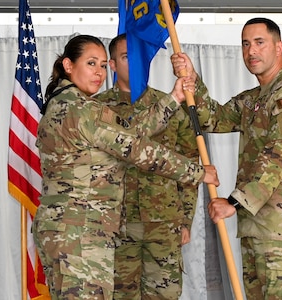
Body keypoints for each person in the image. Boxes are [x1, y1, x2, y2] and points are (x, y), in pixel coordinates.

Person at [31, 34, 219, 300]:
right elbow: (138, 149)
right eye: (90, 63)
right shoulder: (84, 110)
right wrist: (198, 172)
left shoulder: (67, 105)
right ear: (68, 65)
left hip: (71, 229)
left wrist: (174, 99)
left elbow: (130, 131)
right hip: (80, 231)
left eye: (100, 65)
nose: (98, 72)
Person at [171, 18, 282, 299]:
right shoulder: (254, 99)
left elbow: (278, 157)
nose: (251, 51)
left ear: (279, 47)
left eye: (259, 42)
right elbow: (213, 118)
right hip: (255, 228)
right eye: (245, 44)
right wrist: (192, 80)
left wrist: (234, 202)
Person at [95, 33, 200, 299]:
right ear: (112, 64)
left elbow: (189, 165)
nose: (135, 62)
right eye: (126, 56)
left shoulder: (175, 106)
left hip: (164, 226)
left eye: (140, 55)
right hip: (116, 226)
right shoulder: (96, 108)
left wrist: (186, 220)